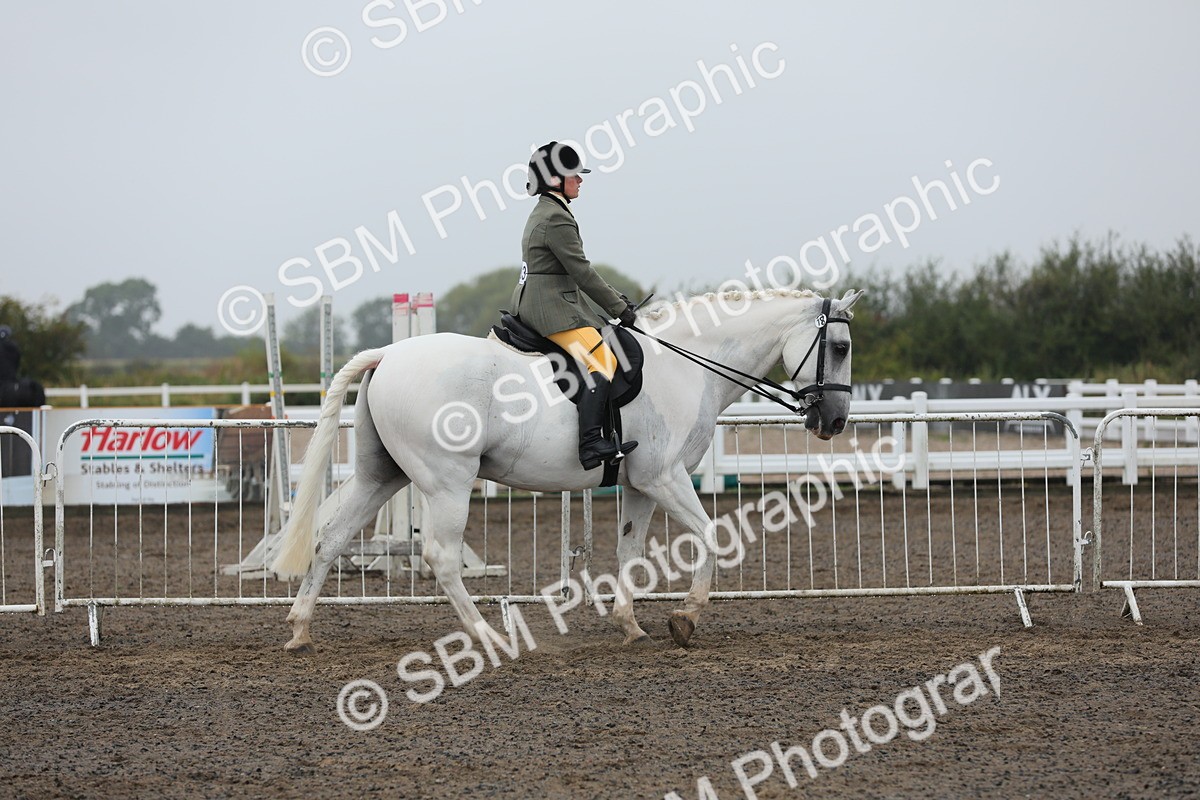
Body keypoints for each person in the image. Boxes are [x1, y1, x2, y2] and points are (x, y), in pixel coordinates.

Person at [511, 141, 638, 470]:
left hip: (543, 299)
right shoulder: (556, 218)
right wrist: (618, 308)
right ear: (555, 180)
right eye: (574, 176)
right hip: (550, 307)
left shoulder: (547, 210)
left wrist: (616, 299)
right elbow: (581, 271)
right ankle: (591, 443)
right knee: (603, 360)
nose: (580, 180)